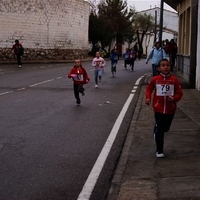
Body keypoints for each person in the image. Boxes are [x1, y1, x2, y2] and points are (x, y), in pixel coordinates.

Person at [145, 58, 183, 158]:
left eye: (167, 65)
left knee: (166, 128)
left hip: (171, 109)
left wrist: (174, 98)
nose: (165, 67)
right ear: (158, 68)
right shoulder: (155, 79)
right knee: (160, 130)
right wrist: (148, 98)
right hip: (159, 108)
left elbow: (179, 92)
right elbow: (149, 88)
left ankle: (157, 129)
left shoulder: (174, 80)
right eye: (163, 65)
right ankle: (159, 150)